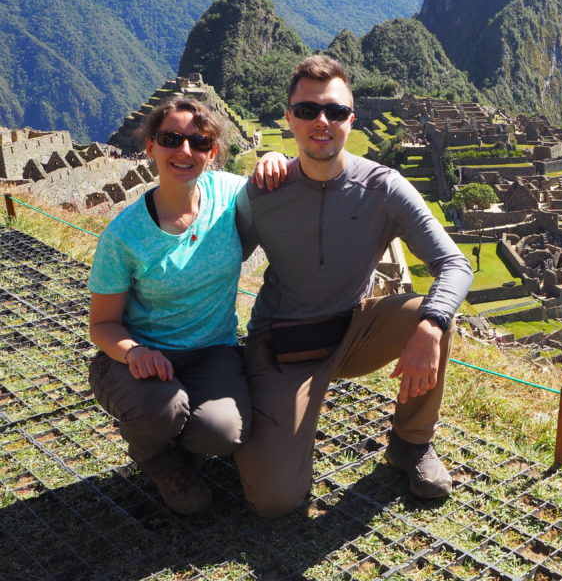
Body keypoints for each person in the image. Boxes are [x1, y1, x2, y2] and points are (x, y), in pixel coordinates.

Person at [234, 56, 473, 518]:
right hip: (283, 344)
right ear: (289, 118)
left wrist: (431, 327)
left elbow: (454, 264)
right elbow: (220, 262)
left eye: (335, 112)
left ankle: (411, 444)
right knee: (274, 500)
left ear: (351, 118)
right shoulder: (263, 191)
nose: (321, 122)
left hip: (353, 330)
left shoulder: (383, 187)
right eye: (307, 111)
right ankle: (269, 423)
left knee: (433, 316)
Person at [88, 96, 285, 515]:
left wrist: (276, 156)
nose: (185, 151)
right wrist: (133, 352)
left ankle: (181, 444)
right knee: (160, 409)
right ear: (151, 147)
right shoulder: (123, 235)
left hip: (213, 350)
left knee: (223, 433)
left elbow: (278, 185)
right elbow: (102, 325)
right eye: (171, 139)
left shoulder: (228, 194)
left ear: (212, 153)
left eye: (199, 143)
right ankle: (158, 459)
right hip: (142, 356)